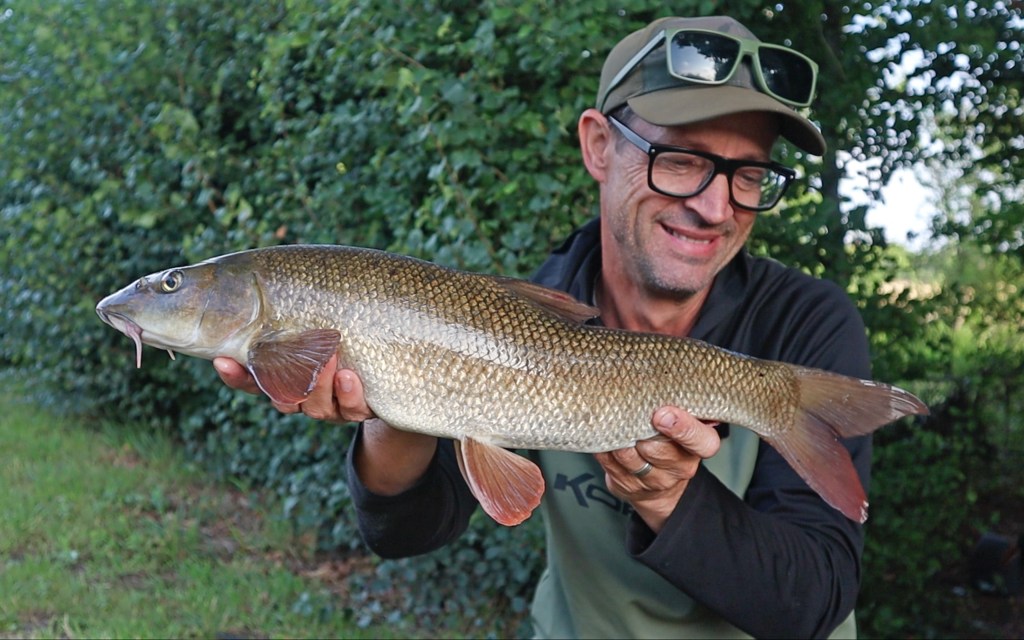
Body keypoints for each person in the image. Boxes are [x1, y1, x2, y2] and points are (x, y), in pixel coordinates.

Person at [216, 15, 870, 639]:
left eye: (749, 173)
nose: (713, 205)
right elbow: (406, 534)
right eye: (679, 160)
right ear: (598, 145)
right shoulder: (524, 309)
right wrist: (390, 403)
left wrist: (671, 498)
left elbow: (809, 605)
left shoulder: (805, 321)